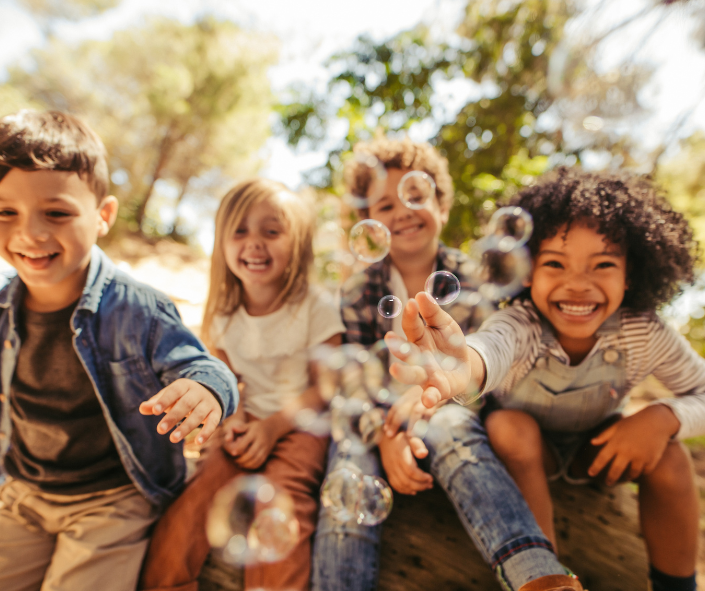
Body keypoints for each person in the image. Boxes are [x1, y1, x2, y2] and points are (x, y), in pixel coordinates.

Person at [388, 166, 703, 591]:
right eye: (555, 263)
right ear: (527, 272)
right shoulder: (522, 324)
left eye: (603, 264)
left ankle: (677, 585)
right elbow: (491, 349)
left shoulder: (643, 332)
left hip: (598, 449)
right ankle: (544, 576)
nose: (577, 285)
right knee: (510, 426)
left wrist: (663, 417)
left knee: (670, 456)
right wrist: (465, 365)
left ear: (631, 275)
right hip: (527, 449)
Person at [312, 137, 581, 591]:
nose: (401, 211)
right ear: (369, 224)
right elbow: (353, 379)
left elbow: (486, 375)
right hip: (375, 419)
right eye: (384, 204)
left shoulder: (474, 280)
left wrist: (425, 405)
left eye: (415, 196)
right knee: (349, 462)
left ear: (441, 204)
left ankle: (540, 578)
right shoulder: (359, 291)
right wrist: (386, 435)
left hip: (450, 410)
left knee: (453, 430)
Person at [0, 109, 238, 591]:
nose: (30, 233)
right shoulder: (4, 305)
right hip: (24, 491)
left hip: (111, 499)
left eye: (57, 213)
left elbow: (206, 368)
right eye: (6, 211)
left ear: (103, 216)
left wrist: (204, 392)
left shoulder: (139, 309)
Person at [138, 178, 345, 591]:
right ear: (222, 243)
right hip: (247, 421)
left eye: (272, 231)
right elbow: (227, 379)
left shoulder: (316, 305)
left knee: (287, 499)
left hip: (302, 424)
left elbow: (326, 388)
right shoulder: (223, 315)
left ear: (299, 244)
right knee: (200, 493)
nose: (254, 243)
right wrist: (236, 419)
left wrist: (271, 429)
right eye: (240, 231)